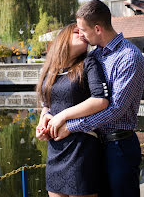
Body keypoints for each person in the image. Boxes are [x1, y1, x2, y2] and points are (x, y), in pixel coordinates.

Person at [46, 0, 144, 197]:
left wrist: (71, 125)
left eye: (83, 30)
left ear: (98, 29)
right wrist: (47, 112)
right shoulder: (95, 55)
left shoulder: (129, 57)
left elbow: (115, 109)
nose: (81, 35)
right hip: (93, 146)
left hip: (119, 147)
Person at [36, 23, 109, 197]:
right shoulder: (51, 68)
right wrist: (43, 120)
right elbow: (46, 103)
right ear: (64, 38)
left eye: (84, 31)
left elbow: (100, 100)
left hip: (81, 148)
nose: (82, 33)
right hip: (56, 149)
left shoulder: (88, 63)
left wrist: (62, 117)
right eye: (77, 31)